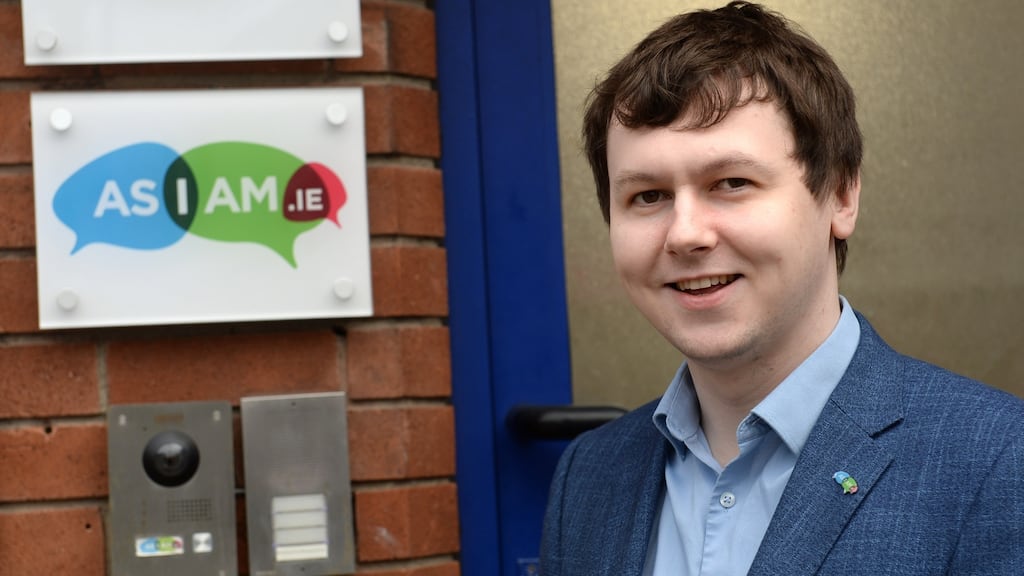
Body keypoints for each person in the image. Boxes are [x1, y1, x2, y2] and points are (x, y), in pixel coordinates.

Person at [540, 2, 1024, 575]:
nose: (685, 233)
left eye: (731, 183)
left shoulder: (995, 462)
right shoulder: (589, 476)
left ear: (841, 196)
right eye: (648, 195)